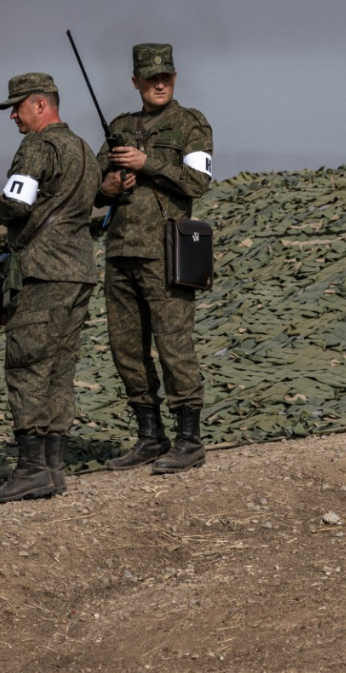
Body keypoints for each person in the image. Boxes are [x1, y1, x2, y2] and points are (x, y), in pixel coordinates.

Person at [0, 73, 99, 503]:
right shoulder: (83, 149)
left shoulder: (37, 147)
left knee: (27, 367)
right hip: (79, 273)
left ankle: (30, 470)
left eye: (18, 106)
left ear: (41, 105)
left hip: (42, 273)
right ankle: (53, 469)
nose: (13, 115)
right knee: (60, 371)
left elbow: (16, 204)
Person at [96, 43, 214, 472]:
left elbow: (199, 182)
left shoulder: (190, 124)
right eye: (150, 77)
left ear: (175, 77)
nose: (158, 82)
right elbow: (92, 189)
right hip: (120, 252)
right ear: (136, 82)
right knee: (125, 349)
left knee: (173, 345)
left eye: (165, 75)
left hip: (167, 252)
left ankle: (189, 439)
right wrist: (108, 187)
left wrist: (148, 163)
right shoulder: (120, 126)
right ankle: (150, 435)